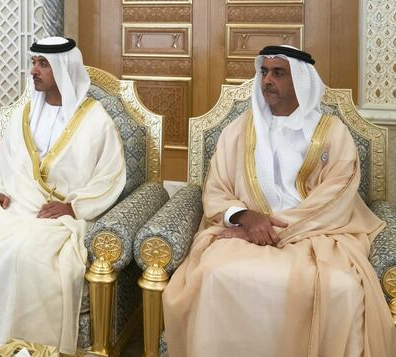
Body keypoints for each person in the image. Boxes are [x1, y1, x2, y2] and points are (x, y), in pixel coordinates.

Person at [162, 45, 396, 357]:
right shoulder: (239, 130)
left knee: (342, 287)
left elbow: (336, 196)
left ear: (301, 80)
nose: (267, 80)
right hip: (244, 233)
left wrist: (274, 228)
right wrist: (245, 217)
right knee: (213, 274)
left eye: (278, 73)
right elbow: (216, 189)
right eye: (264, 72)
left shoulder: (332, 132)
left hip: (318, 234)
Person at [0, 37, 126, 354]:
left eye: (43, 64)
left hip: (54, 217)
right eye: (33, 62)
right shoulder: (25, 113)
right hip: (14, 205)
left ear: (63, 68)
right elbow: (4, 160)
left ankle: (24, 347)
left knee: (28, 255)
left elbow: (110, 176)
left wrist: (73, 206)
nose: (34, 70)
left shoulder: (96, 120)